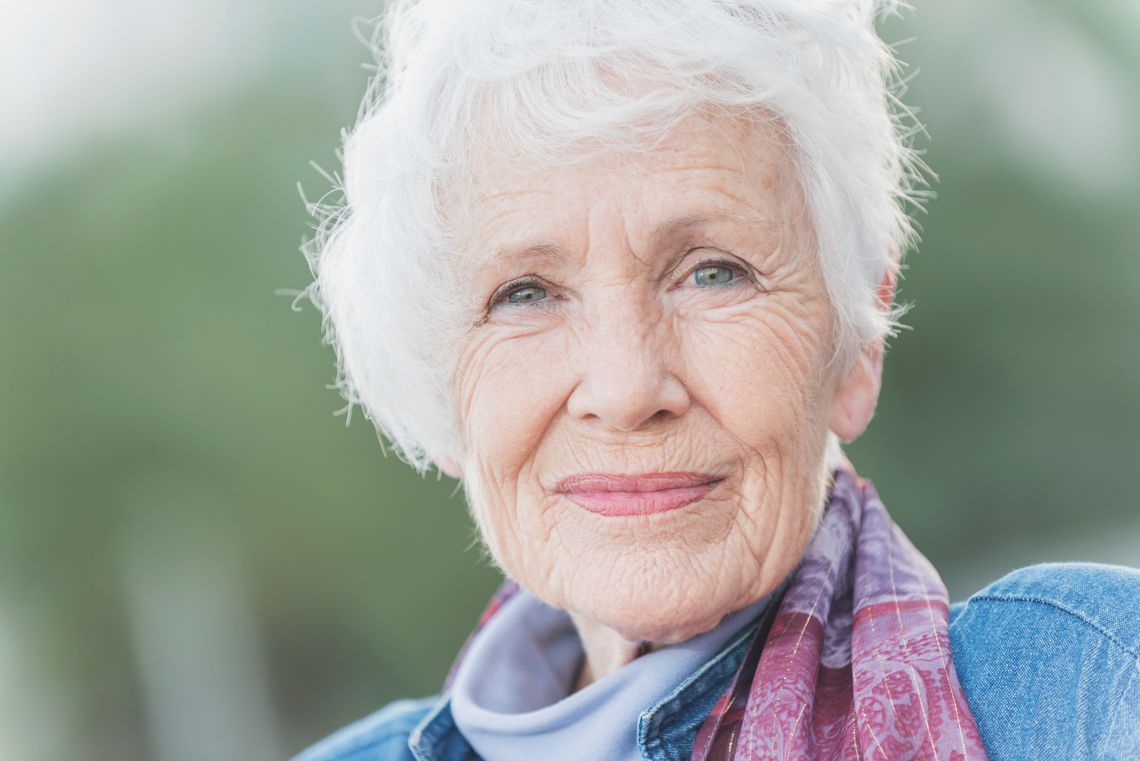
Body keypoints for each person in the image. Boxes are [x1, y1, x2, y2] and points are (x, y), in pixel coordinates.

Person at [292, 1, 1140, 759]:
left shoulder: (1089, 691)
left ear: (857, 345)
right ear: (442, 384)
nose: (626, 389)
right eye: (526, 294)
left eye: (713, 273)